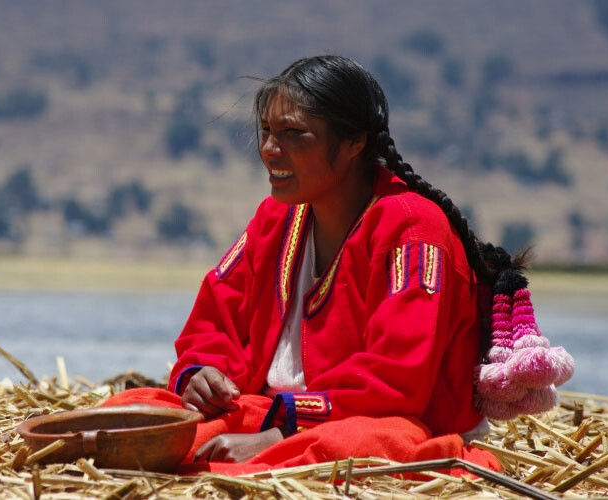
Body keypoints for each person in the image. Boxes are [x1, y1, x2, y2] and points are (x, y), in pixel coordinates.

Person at [102, 55, 571, 475]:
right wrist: (203, 374)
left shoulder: (413, 230)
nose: (269, 149)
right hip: (266, 409)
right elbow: (216, 314)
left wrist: (281, 434)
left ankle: (249, 464)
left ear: (353, 143)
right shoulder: (276, 219)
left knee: (359, 443)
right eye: (267, 131)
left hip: (380, 423)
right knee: (136, 411)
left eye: (293, 135)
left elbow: (396, 380)